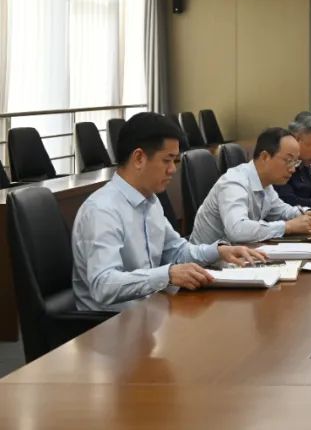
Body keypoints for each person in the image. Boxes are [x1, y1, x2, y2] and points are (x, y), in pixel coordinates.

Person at [71, 113, 265, 312]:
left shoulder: (151, 201)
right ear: (139, 158)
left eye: (175, 161)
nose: (173, 169)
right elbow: (103, 285)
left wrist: (219, 251)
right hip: (111, 324)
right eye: (167, 160)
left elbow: (177, 252)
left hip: (150, 313)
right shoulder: (101, 210)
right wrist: (167, 275)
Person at [189, 127, 311, 245]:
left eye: (295, 162)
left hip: (237, 256)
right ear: (265, 157)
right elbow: (237, 230)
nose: (293, 169)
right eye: (288, 161)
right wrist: (287, 227)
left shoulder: (265, 184)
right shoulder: (234, 182)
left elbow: (281, 210)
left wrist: (306, 213)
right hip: (207, 264)